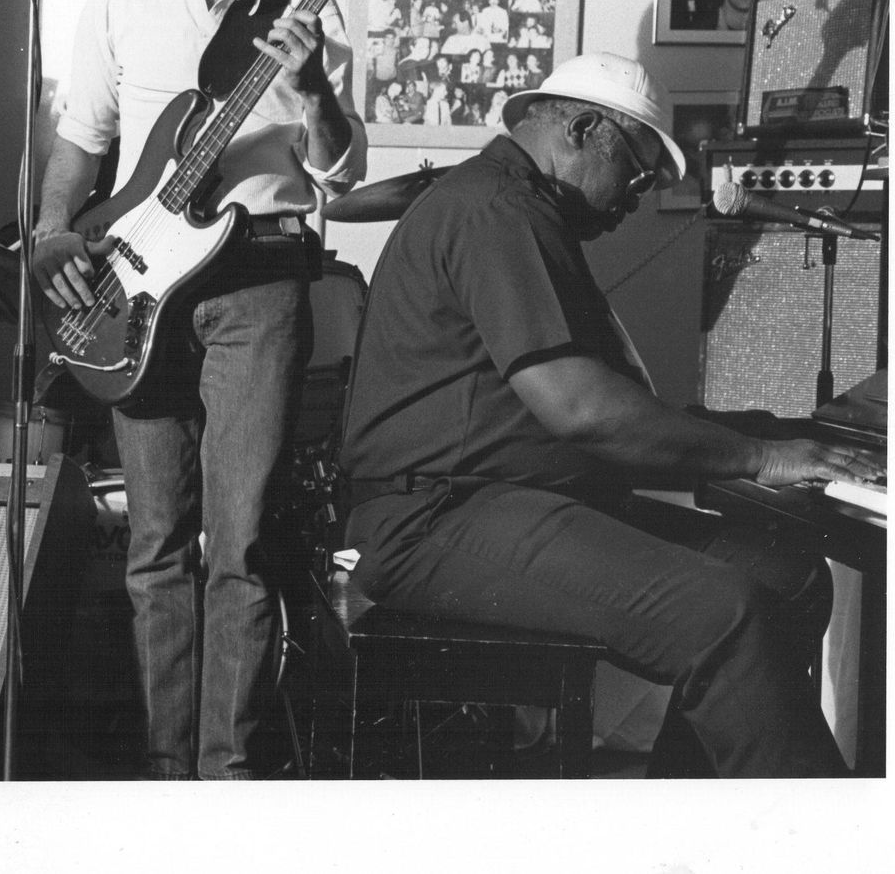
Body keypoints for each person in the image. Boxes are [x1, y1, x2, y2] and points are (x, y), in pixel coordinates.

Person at [337, 52, 884, 776]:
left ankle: (694, 817)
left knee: (787, 575)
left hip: (504, 499)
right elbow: (583, 410)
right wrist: (761, 457)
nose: (634, 200)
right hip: (434, 519)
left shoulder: (520, 207)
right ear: (585, 129)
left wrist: (766, 431)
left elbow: (604, 405)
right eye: (637, 173)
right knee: (723, 615)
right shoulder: (498, 209)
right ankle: (826, 830)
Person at [31, 0, 367, 780]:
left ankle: (226, 773)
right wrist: (54, 230)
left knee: (243, 543)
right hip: (141, 288)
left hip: (259, 281)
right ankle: (164, 770)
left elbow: (341, 171)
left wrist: (313, 90)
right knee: (154, 542)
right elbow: (82, 143)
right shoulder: (122, 4)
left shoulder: (309, 11)